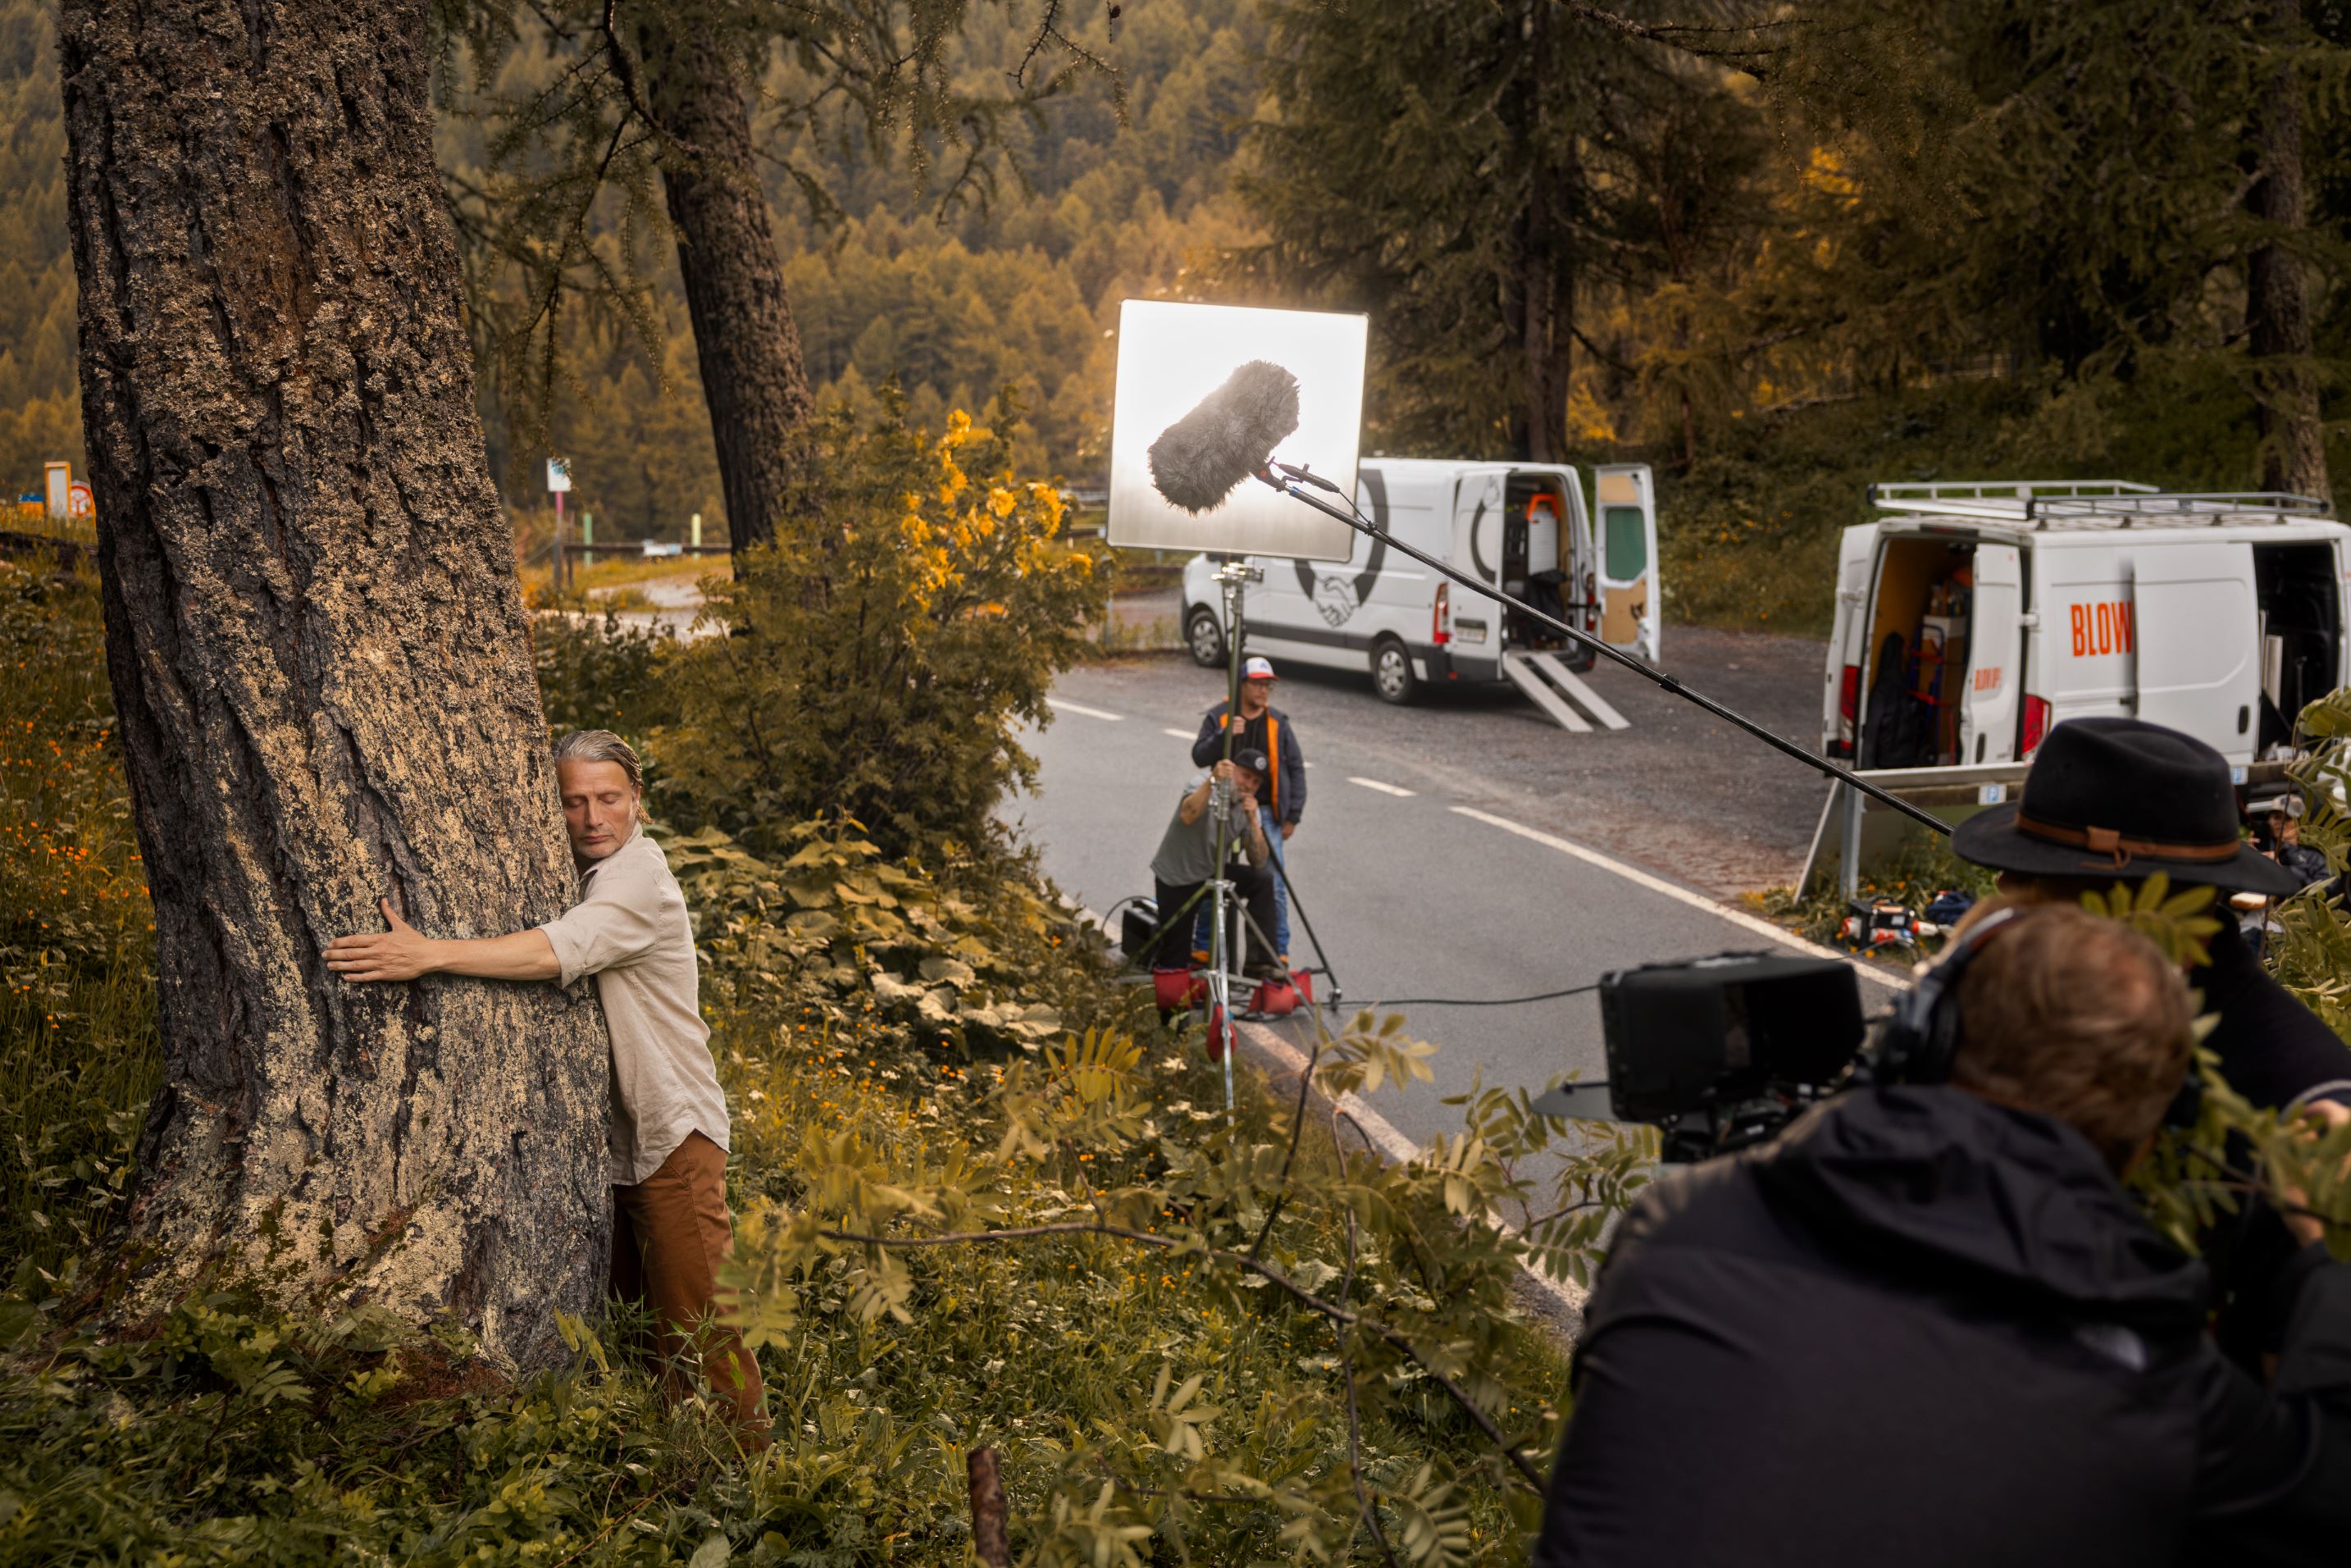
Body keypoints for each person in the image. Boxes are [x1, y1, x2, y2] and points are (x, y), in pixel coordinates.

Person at [1531, 903, 2351, 1567]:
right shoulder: (2154, 1370)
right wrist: (2327, 1256)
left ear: (1918, 1042)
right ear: (2143, 1138)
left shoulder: (1680, 1230)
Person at [324, 729, 764, 1436]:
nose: (592, 818)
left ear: (637, 801)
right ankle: (670, 1466)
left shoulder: (638, 882)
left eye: (609, 799)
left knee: (703, 1331)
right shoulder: (593, 872)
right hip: (625, 1148)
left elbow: (558, 949)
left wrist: (429, 955)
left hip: (673, 1139)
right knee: (641, 1331)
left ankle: (745, 1488)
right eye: (573, 802)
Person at [1950, 717, 2351, 1113]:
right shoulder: (2057, 1002)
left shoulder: (2301, 1092)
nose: (2002, 885)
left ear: (2136, 903)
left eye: (2031, 871)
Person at [1190, 655, 1307, 965]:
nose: (1264, 691)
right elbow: (1199, 756)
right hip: (1223, 806)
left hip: (1264, 810)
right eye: (1258, 684)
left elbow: (1295, 768)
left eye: (1268, 685)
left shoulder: (1278, 723)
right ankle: (1203, 947)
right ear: (1242, 684)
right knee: (1212, 874)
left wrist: (1293, 814)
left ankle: (1276, 952)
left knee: (1273, 881)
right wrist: (1222, 737)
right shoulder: (1220, 716)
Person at [1148, 748, 1279, 978]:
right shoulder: (1204, 783)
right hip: (1178, 875)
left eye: (1256, 782)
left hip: (1211, 872)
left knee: (1263, 880)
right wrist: (1212, 781)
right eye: (1245, 776)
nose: (1249, 785)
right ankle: (1176, 1007)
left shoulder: (1249, 806)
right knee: (1175, 957)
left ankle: (1259, 965)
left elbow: (1259, 860)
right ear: (1232, 770)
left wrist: (1253, 822)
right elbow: (1188, 815)